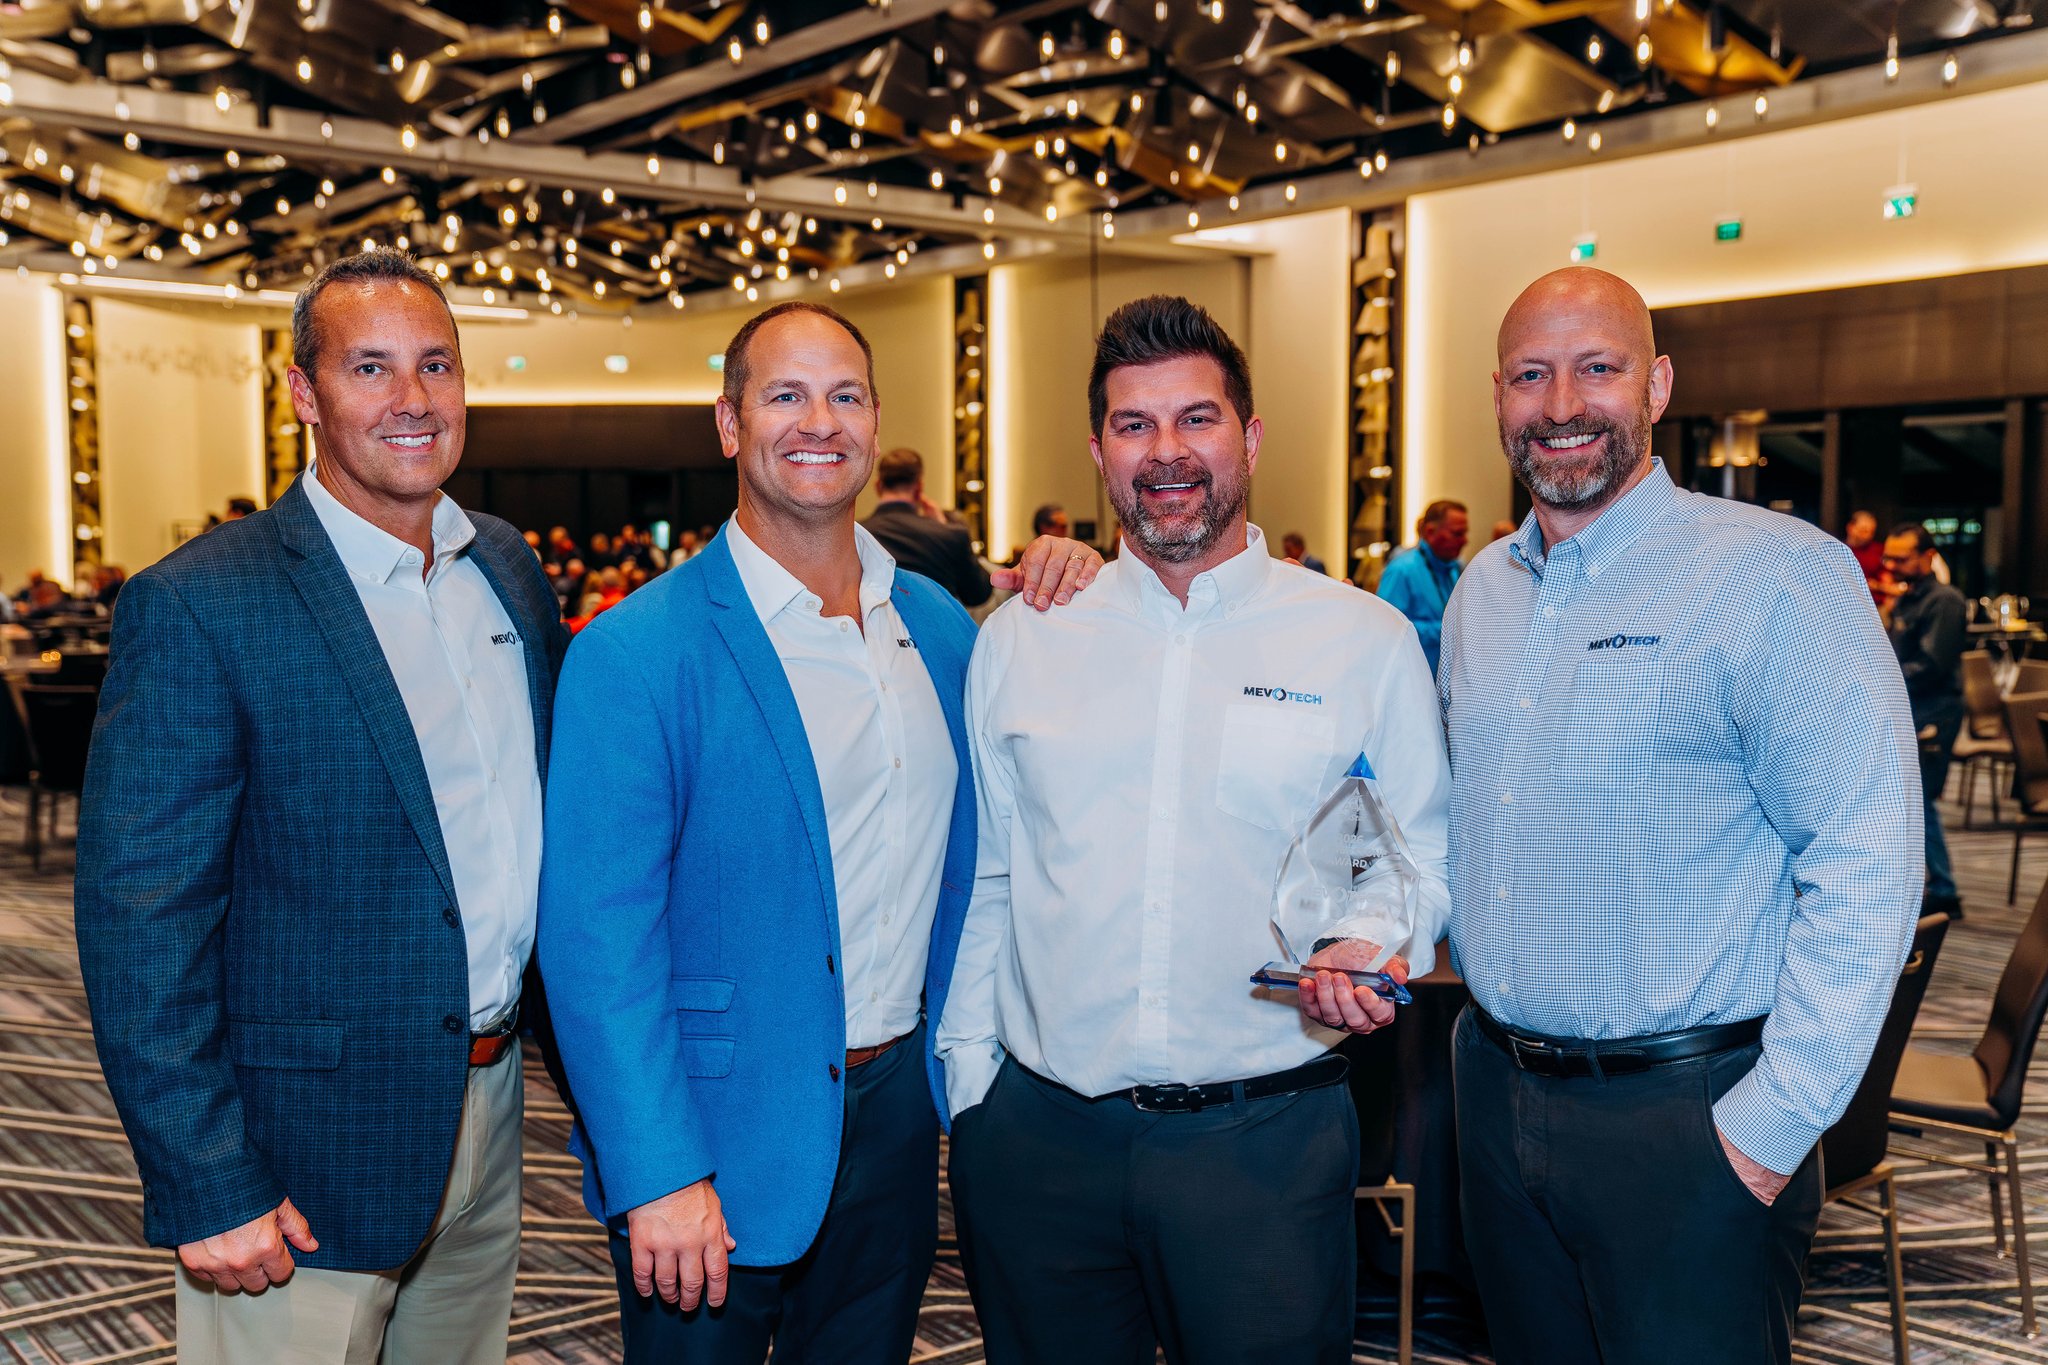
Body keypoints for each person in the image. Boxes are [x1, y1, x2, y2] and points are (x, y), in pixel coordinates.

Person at [1340, 266, 1917, 1365]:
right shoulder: (1481, 594)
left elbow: (1865, 860)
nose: (1560, 404)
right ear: (1498, 396)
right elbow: (1456, 827)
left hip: (1691, 1118)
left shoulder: (1777, 574)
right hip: (1495, 1100)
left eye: (1596, 368)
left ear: (1655, 385)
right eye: (1530, 375)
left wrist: (1771, 1127)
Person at [537, 300, 1101, 1364]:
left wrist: (1075, 578)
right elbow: (593, 943)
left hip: (895, 1120)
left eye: (845, 396)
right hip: (711, 1134)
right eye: (785, 395)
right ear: (728, 423)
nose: (818, 422)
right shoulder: (636, 651)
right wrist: (656, 1168)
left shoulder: (939, 627)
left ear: (876, 421)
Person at [74, 247, 569, 1363]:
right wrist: (206, 1177)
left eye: (436, 364)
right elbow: (140, 919)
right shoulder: (203, 603)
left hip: (491, 1112)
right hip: (296, 1157)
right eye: (370, 368)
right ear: (304, 392)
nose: (413, 399)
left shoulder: (502, 567)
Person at [937, 294, 1450, 1363]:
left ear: (1249, 439)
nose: (1166, 451)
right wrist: (972, 1092)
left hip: (1265, 1143)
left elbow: (1414, 857)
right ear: (1099, 452)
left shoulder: (1360, 640)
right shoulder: (1025, 638)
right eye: (1134, 425)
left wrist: (1368, 940)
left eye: (1196, 419)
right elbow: (991, 874)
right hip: (1042, 1144)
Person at [1884, 521, 1968, 920]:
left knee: (1918, 798)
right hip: (1911, 706)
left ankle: (1944, 889)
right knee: (1908, 797)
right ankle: (1931, 884)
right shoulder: (1907, 597)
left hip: (1934, 710)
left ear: (1928, 556)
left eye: (1901, 559)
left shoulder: (1945, 601)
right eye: (1888, 557)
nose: (1891, 565)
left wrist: (1881, 677)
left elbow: (1933, 664)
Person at [860, 447, 993, 609]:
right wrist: (944, 525)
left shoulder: (857, 535)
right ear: (919, 489)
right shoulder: (950, 535)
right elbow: (978, 595)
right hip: (937, 624)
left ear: (878, 486)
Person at [1374, 499, 1468, 674]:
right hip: (1413, 677)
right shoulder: (1401, 570)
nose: (1465, 541)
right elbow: (1386, 626)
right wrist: (1446, 630)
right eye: (1457, 533)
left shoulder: (1454, 569)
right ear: (1430, 532)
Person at [1845, 509, 1886, 606]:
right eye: (1863, 531)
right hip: (1846, 603)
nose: (1867, 536)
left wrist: (1878, 586)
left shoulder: (1879, 550)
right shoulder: (1839, 550)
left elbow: (1888, 579)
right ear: (1850, 528)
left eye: (1871, 532)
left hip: (1875, 605)